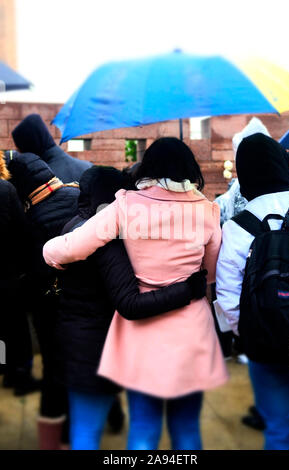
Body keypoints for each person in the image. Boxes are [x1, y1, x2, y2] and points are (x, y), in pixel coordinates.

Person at [43, 137, 229, 450]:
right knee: (186, 429)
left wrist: (49, 253)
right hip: (193, 333)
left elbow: (73, 246)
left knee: (143, 428)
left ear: (148, 166)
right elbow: (208, 276)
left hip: (142, 333)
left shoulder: (126, 205)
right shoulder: (208, 212)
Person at [216, 133, 289, 450]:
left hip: (266, 347)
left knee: (279, 430)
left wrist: (248, 335)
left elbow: (227, 296)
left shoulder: (237, 227)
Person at [5, 151, 80, 449]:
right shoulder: (79, 197)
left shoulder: (30, 218)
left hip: (49, 307)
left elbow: (31, 267)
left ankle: (55, 439)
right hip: (87, 305)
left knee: (54, 371)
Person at [0, 151, 34, 393]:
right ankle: (17, 374)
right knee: (15, 326)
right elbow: (22, 232)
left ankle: (2, 366)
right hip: (7, 272)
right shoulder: (6, 190)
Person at [11, 114, 92, 183]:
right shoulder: (88, 167)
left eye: (19, 149)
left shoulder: (39, 180)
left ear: (28, 146)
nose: (20, 153)